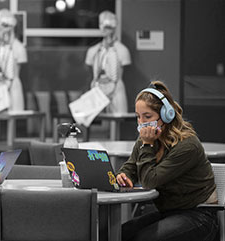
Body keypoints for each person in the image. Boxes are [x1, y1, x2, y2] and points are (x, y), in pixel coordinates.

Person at [116, 80, 218, 241]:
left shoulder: (188, 145)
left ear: (166, 115)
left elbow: (150, 180)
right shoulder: (147, 137)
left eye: (147, 116)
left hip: (199, 216)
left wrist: (147, 145)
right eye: (138, 117)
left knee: (143, 239)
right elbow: (131, 166)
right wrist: (124, 175)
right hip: (168, 212)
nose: (141, 123)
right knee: (119, 234)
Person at [85, 10, 131, 114]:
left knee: (120, 115)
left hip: (116, 86)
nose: (103, 29)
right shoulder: (93, 51)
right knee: (90, 118)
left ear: (114, 28)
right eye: (101, 25)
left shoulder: (122, 50)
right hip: (97, 86)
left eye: (107, 26)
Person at [0, 8, 27, 111]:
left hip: (12, 88)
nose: (1, 28)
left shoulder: (19, 49)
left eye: (5, 25)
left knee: (12, 117)